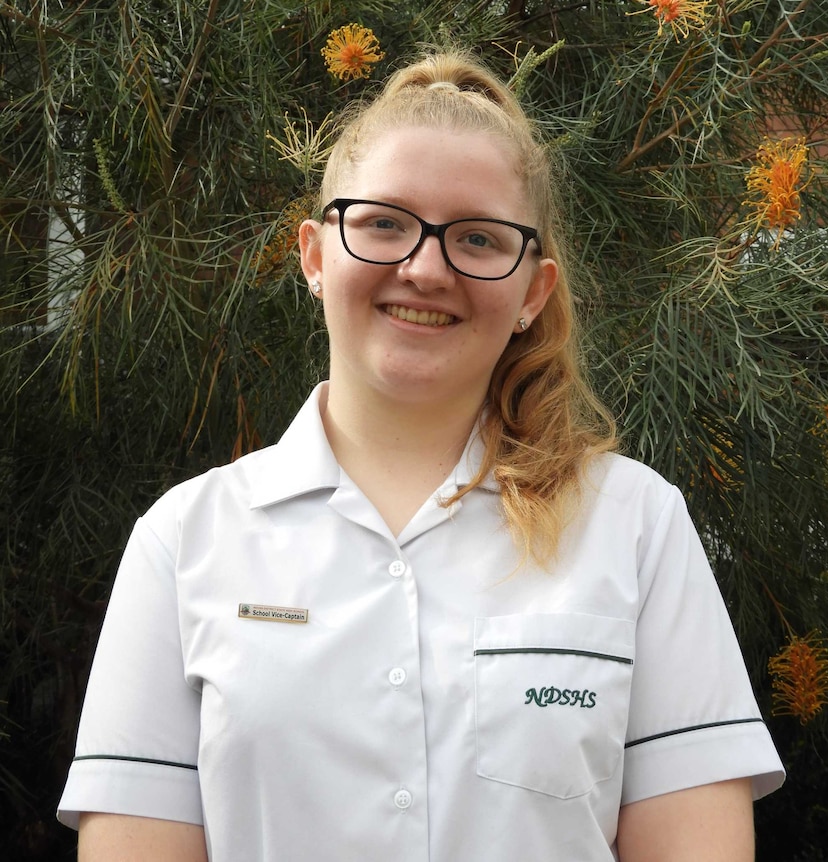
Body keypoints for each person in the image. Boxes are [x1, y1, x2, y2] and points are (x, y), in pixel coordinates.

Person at [58, 49, 784, 861]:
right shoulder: (184, 541)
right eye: (383, 223)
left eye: (477, 238)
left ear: (532, 292)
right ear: (314, 254)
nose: (425, 267)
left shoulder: (636, 526)